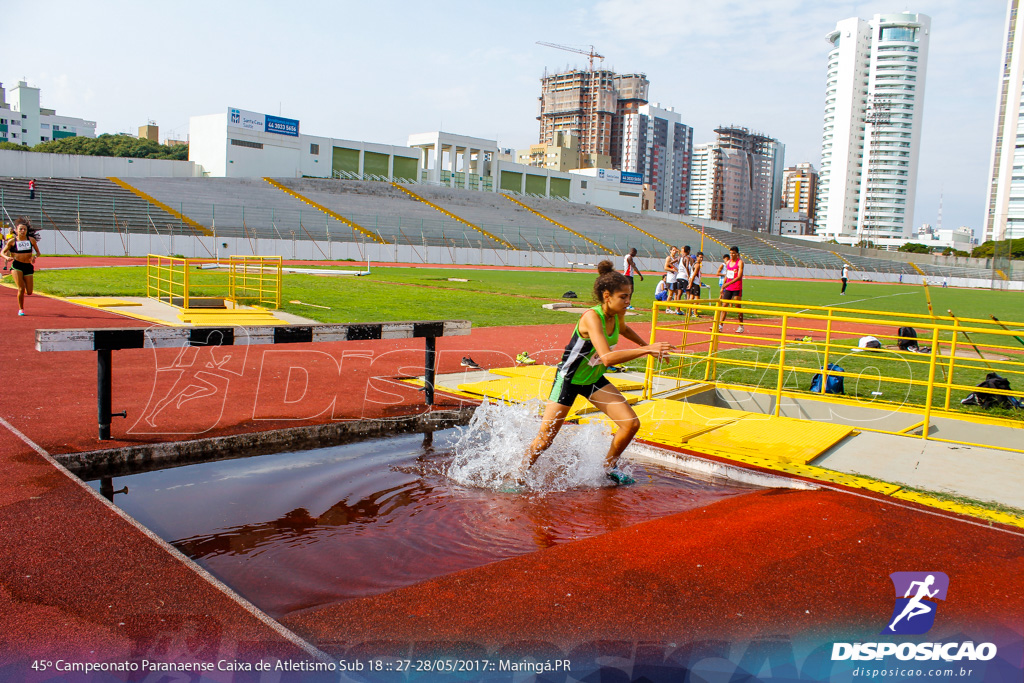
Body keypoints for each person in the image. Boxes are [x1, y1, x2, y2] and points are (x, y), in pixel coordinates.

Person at [520, 261, 676, 486]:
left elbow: (623, 329)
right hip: (569, 380)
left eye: (629, 296)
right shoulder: (592, 317)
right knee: (545, 440)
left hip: (592, 379)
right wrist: (646, 350)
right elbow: (607, 358)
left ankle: (607, 469)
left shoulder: (617, 313)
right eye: (623, 297)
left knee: (630, 424)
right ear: (606, 296)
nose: (628, 301)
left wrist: (646, 345)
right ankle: (516, 476)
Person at [2, 217, 42, 316]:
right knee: (21, 288)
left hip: (27, 266)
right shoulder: (12, 241)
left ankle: (24, 281)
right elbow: (2, 252)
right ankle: (21, 309)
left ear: (27, 231)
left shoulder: (31, 240)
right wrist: (6, 258)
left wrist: (34, 257)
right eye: (20, 229)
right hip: (17, 266)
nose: (22, 231)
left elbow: (38, 252)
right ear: (16, 230)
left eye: (24, 229)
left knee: (29, 291)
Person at [718, 246, 744, 334]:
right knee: (724, 305)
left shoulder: (740, 263)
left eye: (733, 253)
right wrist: (723, 287)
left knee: (737, 306)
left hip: (737, 287)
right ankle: (720, 325)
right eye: (730, 253)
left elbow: (739, 276)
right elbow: (727, 275)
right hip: (728, 288)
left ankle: (741, 325)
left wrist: (727, 284)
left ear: (737, 253)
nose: (732, 255)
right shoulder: (728, 262)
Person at [663, 246, 680, 313]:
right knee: (670, 293)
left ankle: (676, 308)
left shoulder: (676, 258)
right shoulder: (669, 258)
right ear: (670, 251)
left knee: (677, 293)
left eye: (676, 250)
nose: (674, 252)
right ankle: (667, 308)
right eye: (673, 250)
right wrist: (673, 269)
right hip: (670, 279)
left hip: (675, 278)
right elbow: (665, 268)